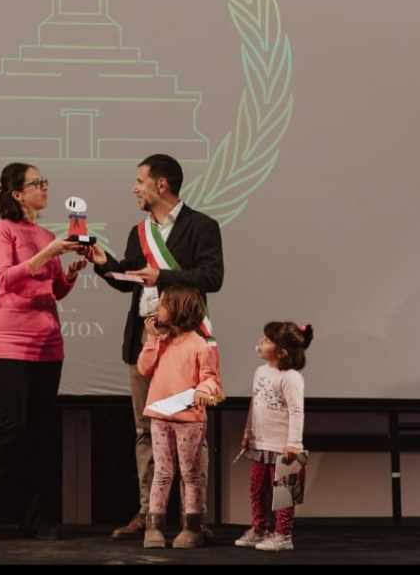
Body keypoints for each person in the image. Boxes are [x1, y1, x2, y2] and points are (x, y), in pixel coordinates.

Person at [88, 154, 224, 541]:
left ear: (160, 185)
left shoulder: (202, 226)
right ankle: (150, 513)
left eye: (140, 181)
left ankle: (194, 519)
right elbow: (132, 279)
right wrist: (103, 263)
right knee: (145, 430)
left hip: (185, 345)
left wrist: (162, 274)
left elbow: (212, 277)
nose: (135, 188)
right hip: (145, 342)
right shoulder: (140, 231)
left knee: (191, 431)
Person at [0, 163, 88, 541]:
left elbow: (54, 291)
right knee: (13, 426)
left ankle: (38, 518)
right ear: (17, 193)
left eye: (45, 182)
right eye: (37, 183)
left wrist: (69, 275)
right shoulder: (3, 229)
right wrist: (48, 253)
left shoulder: (47, 234)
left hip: (47, 342)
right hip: (9, 341)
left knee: (42, 431)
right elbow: (5, 278)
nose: (44, 188)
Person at [136, 287, 223, 549]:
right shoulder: (161, 341)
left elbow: (211, 379)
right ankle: (154, 527)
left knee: (190, 473)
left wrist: (204, 389)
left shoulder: (201, 346)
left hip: (188, 419)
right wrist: (152, 339)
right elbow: (144, 368)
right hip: (160, 415)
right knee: (162, 472)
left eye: (163, 304)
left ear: (179, 310)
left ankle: (192, 527)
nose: (157, 308)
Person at [235, 322, 313, 552]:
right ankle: (260, 528)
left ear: (282, 352)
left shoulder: (291, 378)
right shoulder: (260, 372)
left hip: (283, 447)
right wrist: (247, 432)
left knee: (284, 493)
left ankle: (283, 535)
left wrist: (294, 443)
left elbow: (297, 411)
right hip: (260, 443)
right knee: (257, 489)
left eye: (268, 340)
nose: (261, 342)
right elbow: (255, 404)